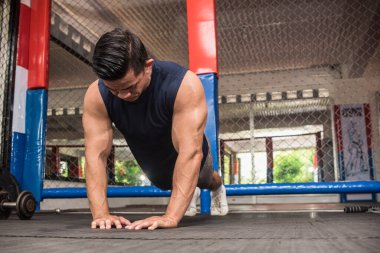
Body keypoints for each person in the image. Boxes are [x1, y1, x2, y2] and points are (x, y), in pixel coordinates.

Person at [83, 28, 228, 231]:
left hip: (189, 151)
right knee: (164, 182)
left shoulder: (183, 85)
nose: (122, 95)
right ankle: (187, 190)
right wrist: (101, 215)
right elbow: (95, 156)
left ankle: (218, 186)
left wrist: (170, 216)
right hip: (154, 162)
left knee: (204, 179)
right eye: (113, 89)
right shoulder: (96, 95)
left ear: (147, 67)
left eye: (129, 87)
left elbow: (190, 153)